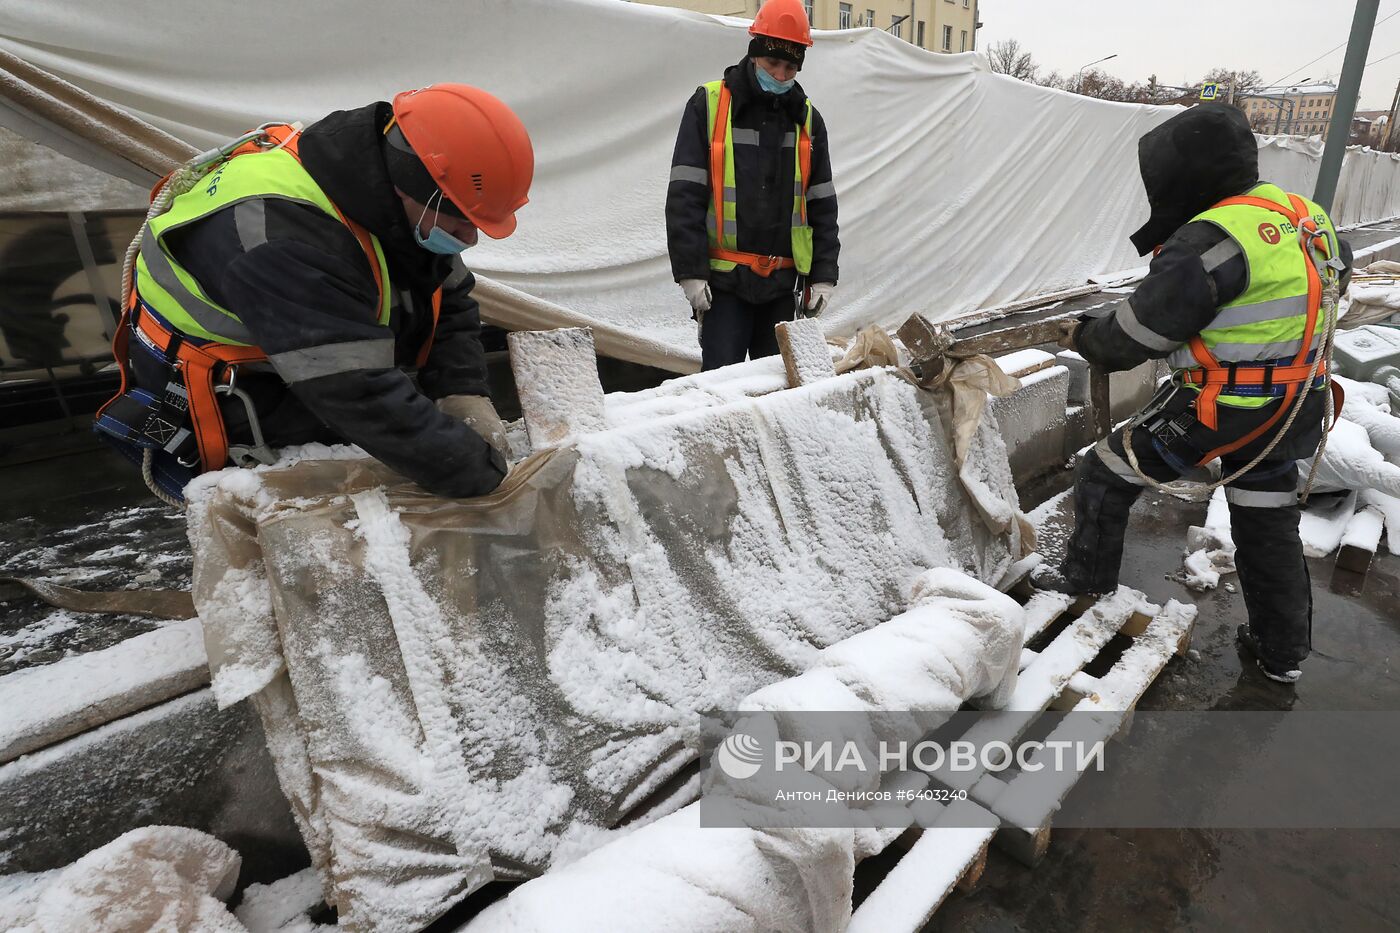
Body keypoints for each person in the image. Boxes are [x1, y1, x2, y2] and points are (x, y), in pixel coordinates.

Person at [1034, 104, 1353, 685]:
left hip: (1221, 405)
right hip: (1296, 400)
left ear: (1190, 174)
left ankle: (1084, 582)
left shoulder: (1211, 240)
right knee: (1266, 519)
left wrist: (1086, 335)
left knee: (1106, 472)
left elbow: (1136, 337)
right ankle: (1280, 653)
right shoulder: (1303, 216)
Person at [96, 84, 533, 503]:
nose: (470, 239)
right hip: (241, 393)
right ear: (407, 184)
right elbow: (353, 390)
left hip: (313, 355)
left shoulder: (380, 191)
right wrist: (477, 473)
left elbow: (447, 295)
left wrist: (462, 388)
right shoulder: (280, 238)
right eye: (460, 221)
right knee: (332, 535)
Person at [665, 0, 840, 371]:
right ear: (754, 53)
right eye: (772, 63)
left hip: (782, 287)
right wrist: (690, 271)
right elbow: (685, 194)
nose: (779, 75)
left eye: (789, 67)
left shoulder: (807, 120)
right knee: (721, 393)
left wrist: (823, 275)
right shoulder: (710, 105)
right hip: (724, 287)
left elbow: (821, 203)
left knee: (777, 392)